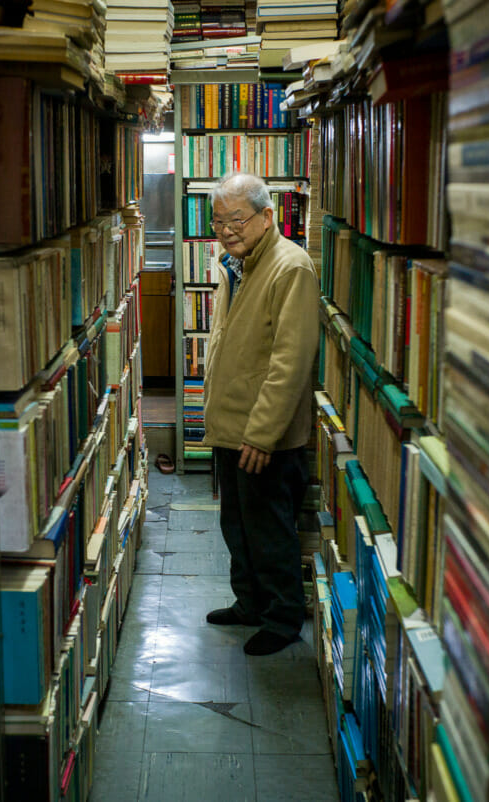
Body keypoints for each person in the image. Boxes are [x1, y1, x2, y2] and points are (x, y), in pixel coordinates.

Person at [202, 172, 320, 656]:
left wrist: (263, 434)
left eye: (237, 220)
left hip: (262, 435)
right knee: (238, 525)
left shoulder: (290, 267)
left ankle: (282, 617)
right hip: (232, 427)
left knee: (270, 530)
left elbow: (290, 363)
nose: (227, 230)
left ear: (267, 216)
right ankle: (249, 602)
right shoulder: (240, 262)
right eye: (218, 221)